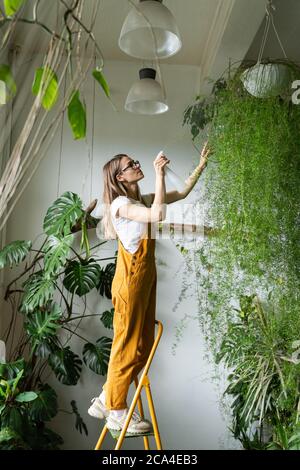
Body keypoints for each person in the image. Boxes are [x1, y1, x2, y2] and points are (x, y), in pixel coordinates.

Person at [87, 143, 211, 436]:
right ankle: (116, 412)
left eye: (136, 162)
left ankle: (106, 398)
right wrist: (159, 172)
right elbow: (158, 216)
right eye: (132, 165)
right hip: (130, 282)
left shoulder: (139, 200)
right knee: (126, 346)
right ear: (120, 178)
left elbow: (181, 194)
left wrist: (201, 166)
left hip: (145, 279)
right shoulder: (120, 205)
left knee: (142, 345)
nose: (137, 166)